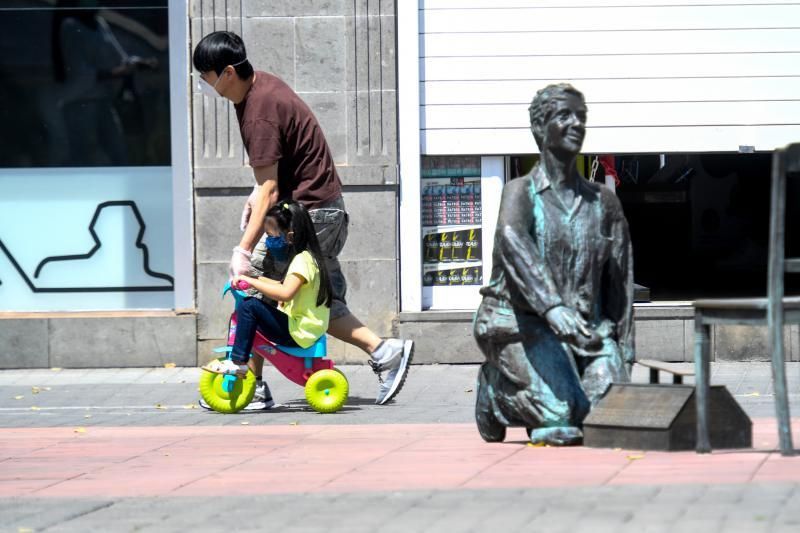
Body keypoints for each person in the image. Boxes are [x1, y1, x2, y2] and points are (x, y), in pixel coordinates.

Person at [192, 31, 413, 405]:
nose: (206, 85)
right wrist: (257, 192)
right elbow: (273, 175)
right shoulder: (261, 85)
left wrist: (242, 249)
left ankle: (251, 384)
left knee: (253, 282)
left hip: (310, 213)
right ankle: (383, 352)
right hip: (320, 208)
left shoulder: (257, 111)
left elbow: (271, 190)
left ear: (228, 72)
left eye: (207, 76)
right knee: (318, 300)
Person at [473, 84, 634, 446]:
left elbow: (620, 280)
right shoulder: (520, 193)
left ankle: (559, 379)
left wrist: (623, 347)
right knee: (561, 420)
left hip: (585, 329)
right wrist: (553, 306)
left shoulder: (603, 202)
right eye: (565, 116)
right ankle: (496, 392)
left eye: (581, 117)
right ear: (540, 129)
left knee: (612, 418)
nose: (576, 124)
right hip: (518, 322)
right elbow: (514, 244)